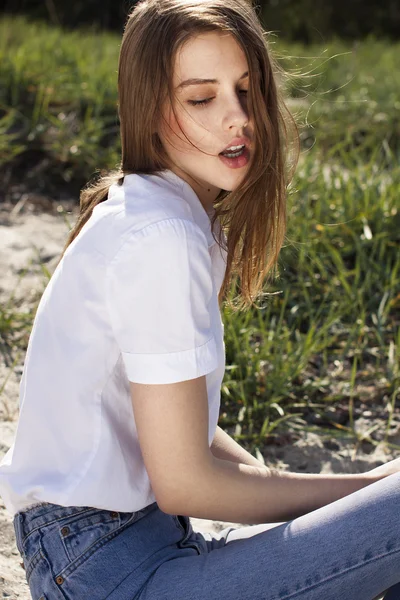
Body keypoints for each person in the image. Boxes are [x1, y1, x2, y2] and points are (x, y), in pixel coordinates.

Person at [0, 0, 399, 598]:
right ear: (151, 109)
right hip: (115, 574)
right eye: (201, 98)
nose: (237, 118)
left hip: (117, 554)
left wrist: (349, 492)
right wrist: (361, 490)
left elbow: (175, 426)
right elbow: (186, 484)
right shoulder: (162, 237)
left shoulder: (157, 213)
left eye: (246, 89)